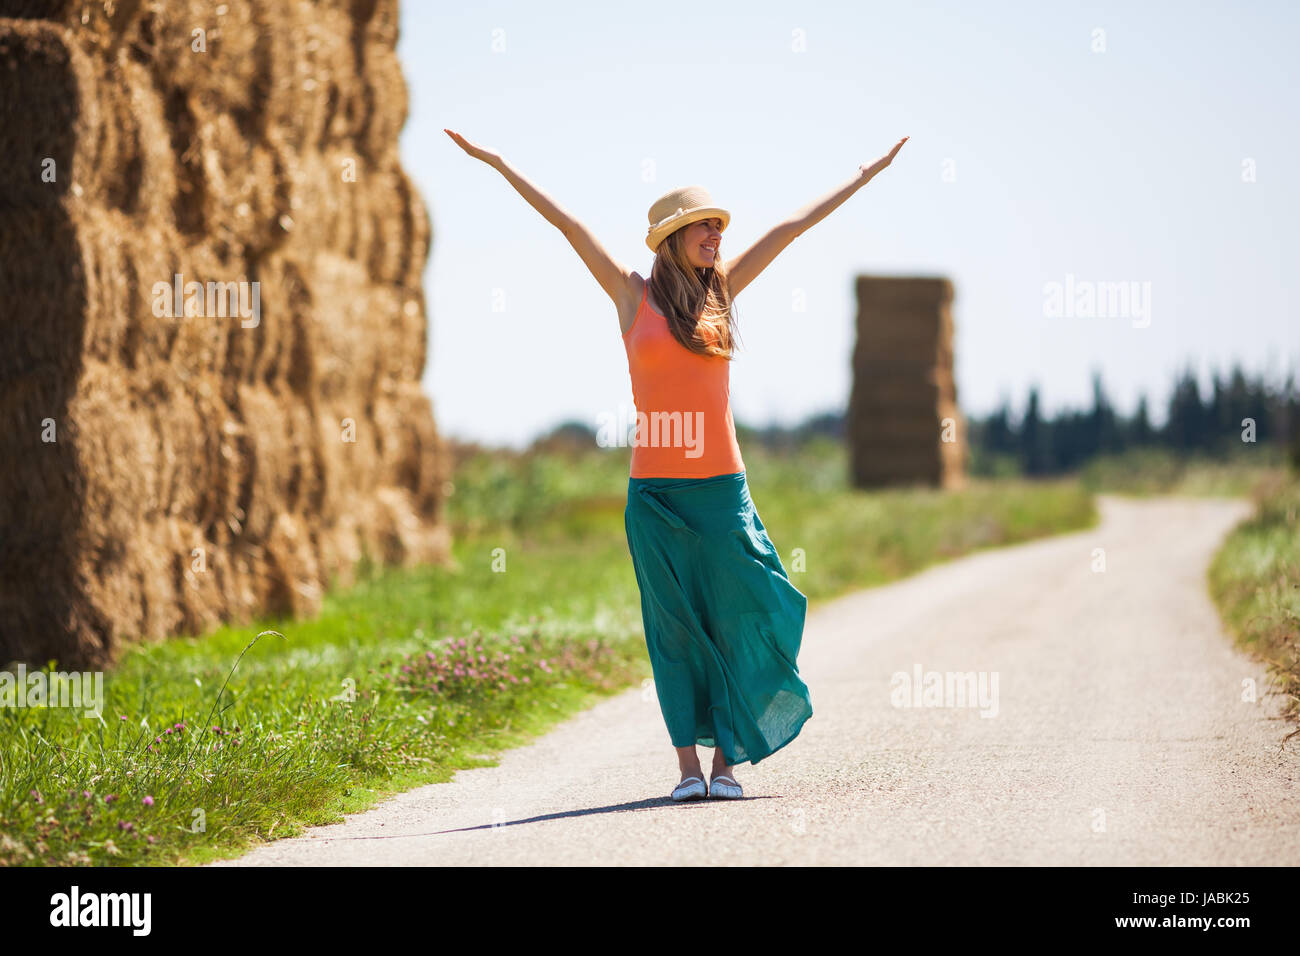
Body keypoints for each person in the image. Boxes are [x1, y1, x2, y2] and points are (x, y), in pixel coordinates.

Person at [445, 128, 908, 800]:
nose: (715, 238)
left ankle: (726, 767)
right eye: (702, 229)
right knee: (675, 632)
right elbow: (566, 222)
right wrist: (499, 162)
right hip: (655, 496)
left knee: (742, 616)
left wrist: (864, 175)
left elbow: (793, 226)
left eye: (718, 228)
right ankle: (689, 772)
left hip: (723, 493)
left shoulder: (723, 292)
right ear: (671, 238)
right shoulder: (631, 296)